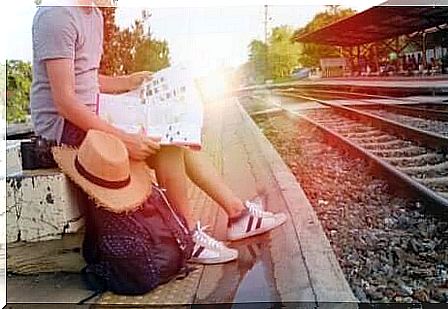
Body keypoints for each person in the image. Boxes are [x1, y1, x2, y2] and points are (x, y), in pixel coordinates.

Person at [31, 0, 286, 265]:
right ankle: (187, 235)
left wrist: (128, 82)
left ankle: (237, 214)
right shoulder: (56, 15)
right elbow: (65, 102)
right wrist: (125, 140)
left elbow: (86, 78)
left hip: (93, 111)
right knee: (166, 142)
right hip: (62, 130)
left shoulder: (94, 14)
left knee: (175, 129)